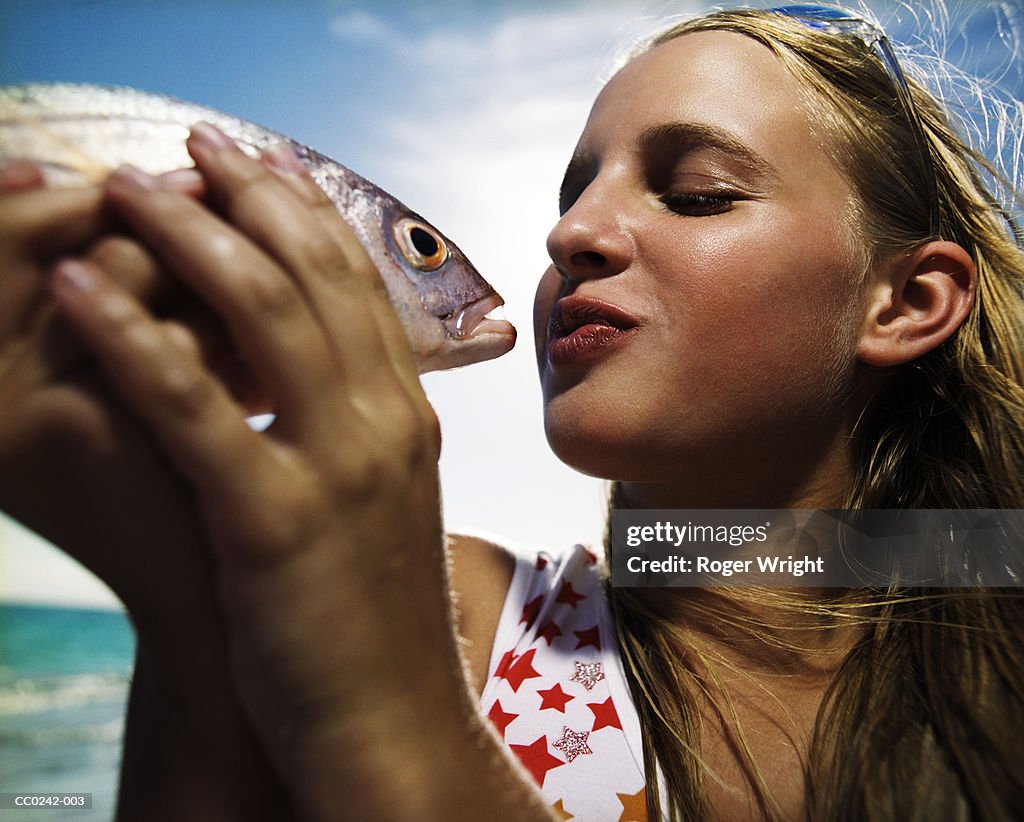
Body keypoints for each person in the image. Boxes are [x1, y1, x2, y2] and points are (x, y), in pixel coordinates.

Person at [1, 3, 1022, 820]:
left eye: (698, 192)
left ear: (905, 302)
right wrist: (183, 604)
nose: (570, 232)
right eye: (573, 192)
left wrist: (386, 722)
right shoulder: (436, 606)